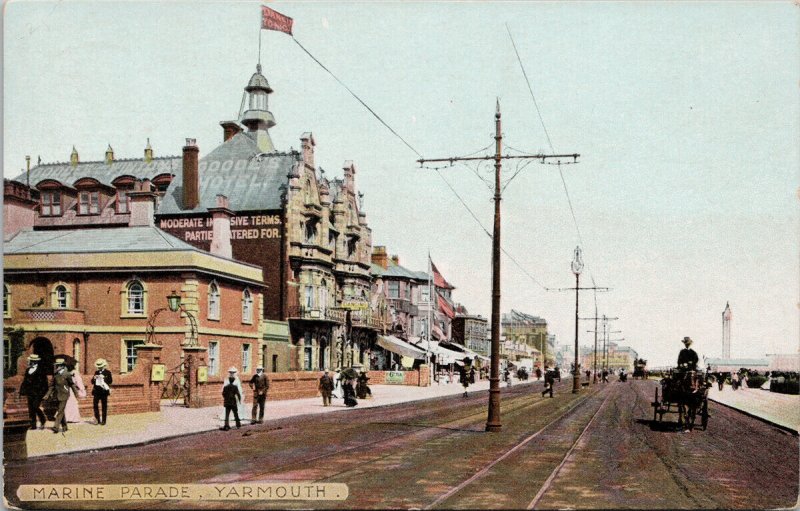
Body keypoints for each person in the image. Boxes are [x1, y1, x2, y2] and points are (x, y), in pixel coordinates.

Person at [47, 358, 79, 434]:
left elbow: (71, 384)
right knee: (61, 411)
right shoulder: (55, 375)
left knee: (60, 410)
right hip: (57, 395)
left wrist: (76, 393)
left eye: (58, 365)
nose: (57, 367)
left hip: (64, 394)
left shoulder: (67, 374)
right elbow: (51, 386)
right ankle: (64, 426)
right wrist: (47, 394)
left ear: (62, 366)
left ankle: (56, 427)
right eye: (56, 365)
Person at [19, 354, 49, 430]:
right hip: (30, 392)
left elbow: (45, 383)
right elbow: (25, 381)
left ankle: (42, 420)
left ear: (35, 362)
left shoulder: (41, 370)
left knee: (35, 406)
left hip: (38, 393)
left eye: (32, 361)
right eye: (30, 361)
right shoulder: (28, 370)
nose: (30, 362)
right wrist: (22, 391)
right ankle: (33, 425)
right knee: (31, 409)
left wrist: (43, 393)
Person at [91, 358, 113, 425]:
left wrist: (104, 378)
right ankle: (98, 419)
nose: (99, 368)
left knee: (104, 406)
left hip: (104, 392)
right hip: (96, 391)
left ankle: (104, 421)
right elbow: (92, 382)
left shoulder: (108, 372)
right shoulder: (96, 372)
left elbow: (110, 381)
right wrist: (94, 378)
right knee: (95, 405)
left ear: (103, 366)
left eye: (100, 366)